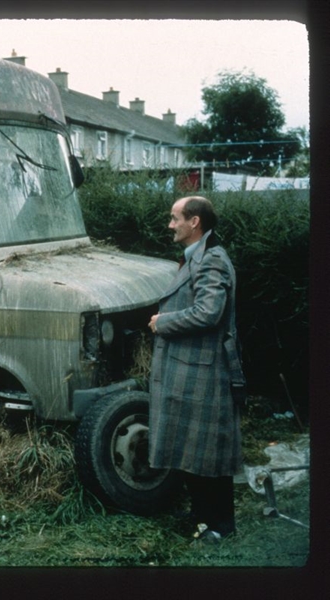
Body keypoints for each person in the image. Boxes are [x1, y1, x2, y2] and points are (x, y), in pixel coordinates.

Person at [148, 196, 245, 543]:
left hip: (203, 371)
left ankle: (219, 526)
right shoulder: (198, 256)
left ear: (195, 222)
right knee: (193, 449)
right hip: (191, 369)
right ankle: (203, 516)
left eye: (175, 219)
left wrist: (164, 322)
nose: (170, 225)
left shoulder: (212, 260)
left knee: (209, 453)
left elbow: (209, 312)